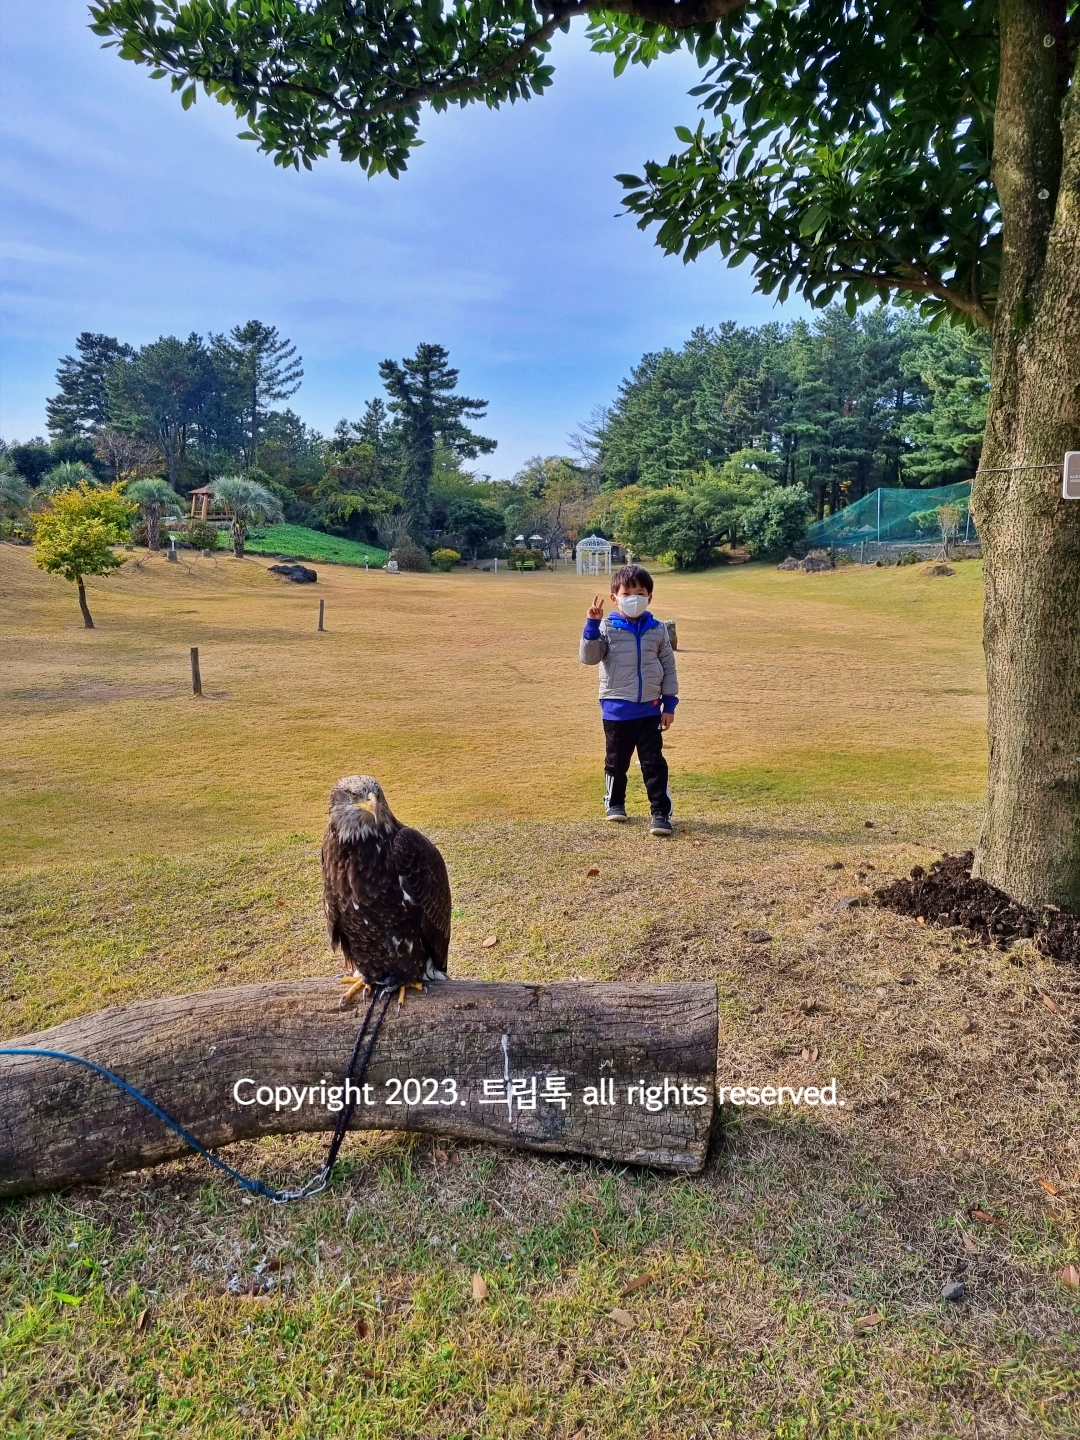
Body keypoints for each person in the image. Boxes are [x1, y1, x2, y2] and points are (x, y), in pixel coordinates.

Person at [579, 563, 679, 836]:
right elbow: (589, 658)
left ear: (649, 597)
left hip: (649, 710)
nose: (634, 597)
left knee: (653, 763)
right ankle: (615, 803)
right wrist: (591, 625)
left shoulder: (658, 630)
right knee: (616, 762)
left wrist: (669, 704)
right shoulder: (606, 628)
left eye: (641, 592)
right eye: (628, 592)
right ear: (615, 597)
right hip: (616, 710)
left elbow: (669, 668)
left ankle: (660, 813)